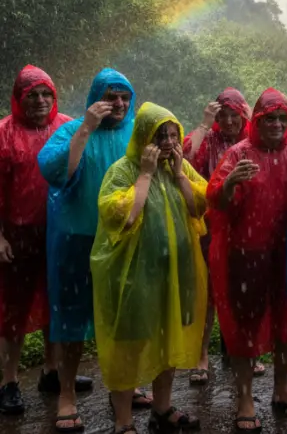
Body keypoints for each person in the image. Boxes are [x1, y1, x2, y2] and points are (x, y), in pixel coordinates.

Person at [38, 68, 152, 432]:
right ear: (94, 99)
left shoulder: (137, 134)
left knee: (124, 318)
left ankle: (123, 385)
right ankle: (67, 394)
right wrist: (86, 128)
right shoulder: (72, 130)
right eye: (110, 96)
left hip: (123, 240)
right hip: (76, 239)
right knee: (72, 320)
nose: (118, 104)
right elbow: (56, 171)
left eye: (124, 97)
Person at [94, 103, 207, 434]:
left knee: (167, 338)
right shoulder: (123, 170)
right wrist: (145, 173)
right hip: (134, 277)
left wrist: (180, 174)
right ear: (144, 137)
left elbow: (199, 205)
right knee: (130, 346)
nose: (169, 142)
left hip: (175, 272)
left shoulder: (177, 168)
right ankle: (124, 420)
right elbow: (124, 216)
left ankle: (162, 408)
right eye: (161, 135)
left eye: (174, 134)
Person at [208, 88, 287, 431]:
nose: (277, 124)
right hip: (246, 253)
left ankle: (281, 388)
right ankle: (245, 398)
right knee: (245, 327)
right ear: (256, 120)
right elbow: (216, 203)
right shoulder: (239, 155)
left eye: (283, 118)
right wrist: (229, 185)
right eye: (270, 119)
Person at [0, 66, 71, 415]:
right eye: (33, 95)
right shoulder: (4, 132)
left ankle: (51, 371)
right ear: (20, 98)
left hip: (59, 230)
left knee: (55, 303)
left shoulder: (67, 127)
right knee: (13, 310)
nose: (41, 101)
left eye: (46, 94)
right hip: (17, 233)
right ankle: (9, 382)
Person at [181, 88, 264, 384]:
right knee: (208, 294)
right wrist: (205, 123)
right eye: (223, 116)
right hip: (210, 226)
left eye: (235, 116)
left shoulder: (251, 142)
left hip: (244, 225)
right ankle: (201, 356)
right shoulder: (211, 140)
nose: (229, 122)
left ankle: (242, 351)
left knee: (243, 292)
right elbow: (185, 156)